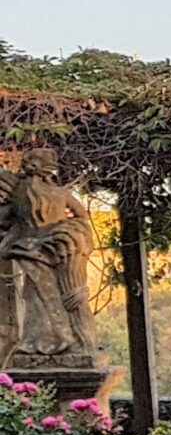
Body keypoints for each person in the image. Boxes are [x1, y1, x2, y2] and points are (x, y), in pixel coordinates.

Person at [0, 151, 99, 369]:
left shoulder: (19, 193)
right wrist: (66, 231)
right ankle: (58, 341)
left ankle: (48, 342)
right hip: (53, 251)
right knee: (49, 297)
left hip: (30, 248)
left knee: (37, 297)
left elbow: (4, 219)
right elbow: (81, 216)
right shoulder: (60, 193)